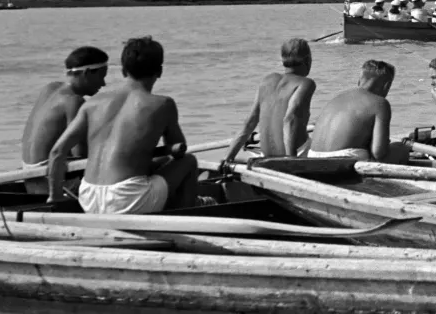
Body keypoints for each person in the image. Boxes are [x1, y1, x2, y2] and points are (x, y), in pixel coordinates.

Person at [46, 36, 199, 214]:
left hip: (88, 198)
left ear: (123, 71)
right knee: (189, 162)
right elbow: (178, 153)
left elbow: (57, 152)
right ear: (160, 71)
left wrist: (55, 196)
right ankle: (184, 219)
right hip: (128, 199)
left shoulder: (92, 103)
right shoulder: (163, 104)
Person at [223, 38, 316, 161]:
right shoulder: (306, 84)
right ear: (307, 60)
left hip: (266, 155)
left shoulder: (267, 80)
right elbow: (290, 120)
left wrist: (228, 158)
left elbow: (249, 122)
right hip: (295, 153)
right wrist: (291, 161)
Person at [20, 46, 110, 168]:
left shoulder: (50, 88)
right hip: (44, 176)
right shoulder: (74, 101)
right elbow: (80, 156)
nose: (103, 84)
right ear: (86, 73)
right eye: (101, 77)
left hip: (28, 172)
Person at [305, 60, 404, 162]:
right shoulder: (380, 103)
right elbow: (379, 153)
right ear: (386, 86)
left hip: (312, 156)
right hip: (342, 160)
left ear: (359, 81)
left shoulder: (338, 98)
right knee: (402, 149)